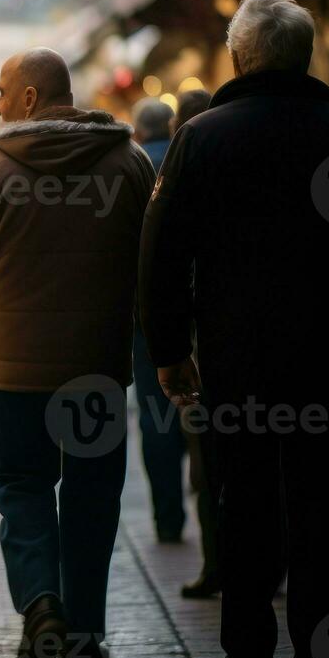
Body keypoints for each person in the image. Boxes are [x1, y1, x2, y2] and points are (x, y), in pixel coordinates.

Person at [141, 0, 329, 658]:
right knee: (325, 511)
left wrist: (170, 350)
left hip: (238, 360)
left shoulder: (203, 138)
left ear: (239, 57)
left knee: (246, 506)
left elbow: (163, 253)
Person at [0, 47, 154, 658]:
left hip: (15, 371)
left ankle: (40, 604)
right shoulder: (128, 163)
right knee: (94, 493)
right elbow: (155, 262)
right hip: (97, 367)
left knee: (21, 484)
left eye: (4, 90)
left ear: (31, 98)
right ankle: (85, 631)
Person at [165, 88, 221, 599]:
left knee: (206, 462)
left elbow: (161, 258)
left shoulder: (185, 163)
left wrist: (168, 351)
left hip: (207, 341)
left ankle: (216, 564)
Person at [129, 97, 185, 543]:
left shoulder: (131, 168)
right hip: (199, 307)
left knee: (155, 414)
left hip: (144, 315)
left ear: (139, 131)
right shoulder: (191, 154)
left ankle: (169, 518)